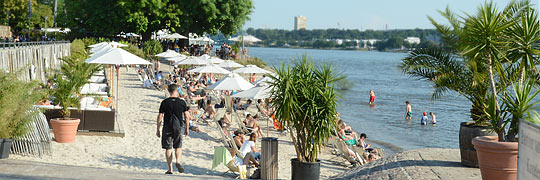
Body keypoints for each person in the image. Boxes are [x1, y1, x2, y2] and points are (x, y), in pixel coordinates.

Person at [156, 84, 190, 174]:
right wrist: (187, 128)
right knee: (178, 146)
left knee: (168, 148)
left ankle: (170, 169)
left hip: (167, 126)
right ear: (176, 91)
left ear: (169, 91)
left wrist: (158, 129)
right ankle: (178, 161)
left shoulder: (165, 102)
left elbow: (160, 116)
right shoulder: (182, 102)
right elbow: (187, 116)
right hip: (178, 127)